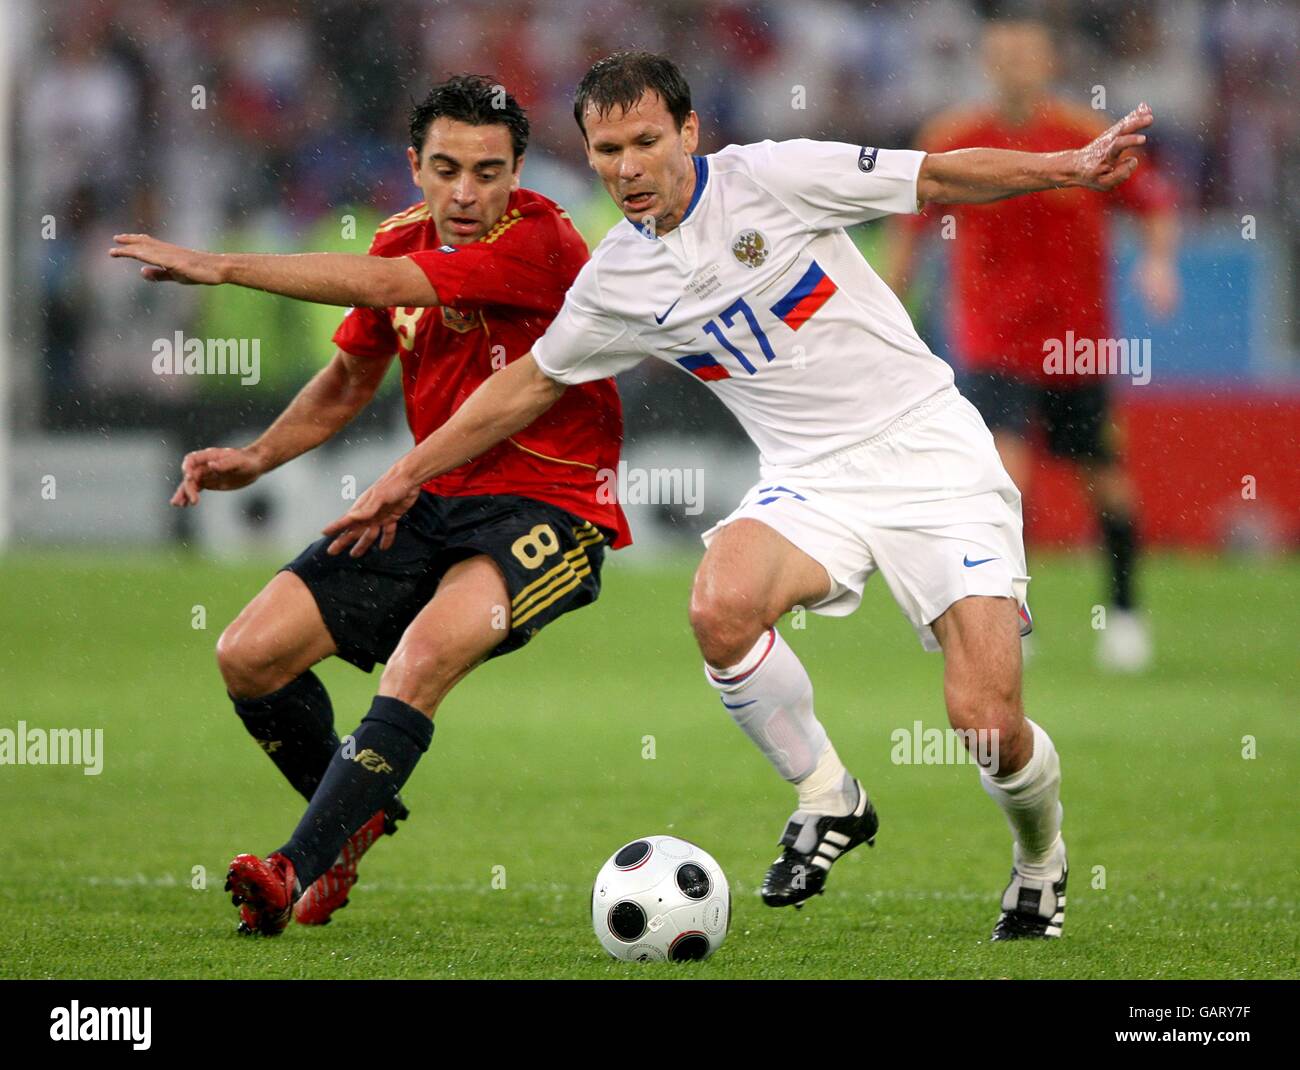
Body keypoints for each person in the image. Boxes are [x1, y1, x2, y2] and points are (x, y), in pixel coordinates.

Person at [114, 52, 1158, 941]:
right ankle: (827, 793)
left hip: (933, 457)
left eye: (646, 145)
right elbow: (518, 387)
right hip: (807, 479)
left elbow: (939, 179)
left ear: (689, 132)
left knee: (983, 721)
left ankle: (1039, 856)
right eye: (608, 153)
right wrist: (396, 475)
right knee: (716, 605)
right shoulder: (616, 278)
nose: (628, 170)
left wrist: (1067, 167)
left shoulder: (776, 177)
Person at [112, 75, 630, 935]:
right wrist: (257, 456)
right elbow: (352, 374)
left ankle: (293, 868)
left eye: (490, 172)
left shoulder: (542, 240)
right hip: (431, 497)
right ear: (414, 165)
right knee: (249, 655)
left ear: (520, 172)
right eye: (448, 168)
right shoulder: (398, 238)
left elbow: (399, 287)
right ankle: (354, 811)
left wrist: (225, 266)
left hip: (551, 509)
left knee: (419, 662)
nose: (468, 193)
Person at [888, 18, 1179, 672]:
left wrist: (1158, 262)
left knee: (1106, 484)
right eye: (1002, 52)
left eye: (1026, 51)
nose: (1014, 63)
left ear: (1050, 59)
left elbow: (1154, 202)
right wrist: (893, 295)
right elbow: (911, 221)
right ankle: (1013, 616)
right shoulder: (953, 141)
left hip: (1078, 344)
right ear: (987, 61)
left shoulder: (1085, 137)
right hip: (992, 343)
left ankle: (1126, 615)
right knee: (1003, 481)